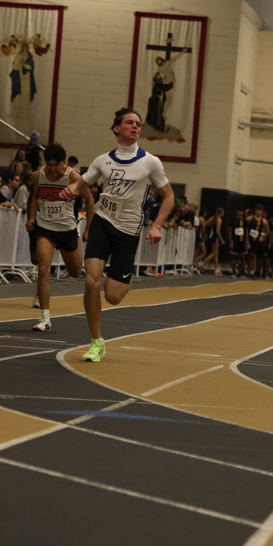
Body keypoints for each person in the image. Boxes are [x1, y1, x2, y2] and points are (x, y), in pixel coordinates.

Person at [58, 108, 173, 363]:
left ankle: (120, 278)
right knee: (91, 282)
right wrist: (71, 191)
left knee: (113, 296)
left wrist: (156, 225)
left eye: (138, 124)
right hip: (103, 222)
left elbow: (169, 196)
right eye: (130, 123)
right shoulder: (103, 160)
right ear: (117, 128)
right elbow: (82, 183)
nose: (135, 127)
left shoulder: (150, 162)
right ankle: (96, 341)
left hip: (128, 230)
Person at [26, 144, 96, 330]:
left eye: (56, 165)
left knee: (75, 272)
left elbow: (90, 200)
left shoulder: (73, 177)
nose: (52, 169)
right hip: (45, 227)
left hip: (67, 229)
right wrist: (32, 217)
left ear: (64, 163)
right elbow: (34, 196)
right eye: (48, 165)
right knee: (43, 269)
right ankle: (45, 319)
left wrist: (88, 229)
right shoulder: (38, 176)